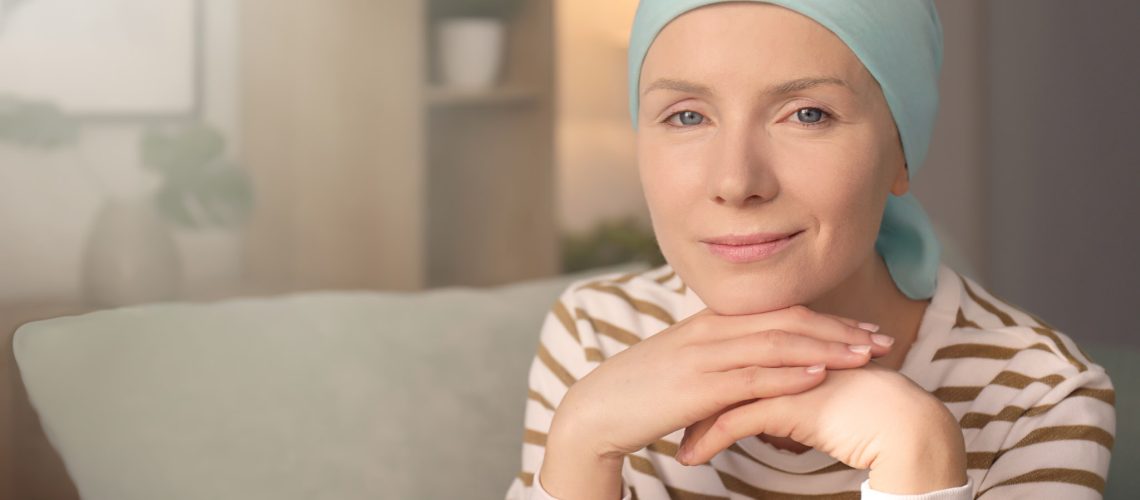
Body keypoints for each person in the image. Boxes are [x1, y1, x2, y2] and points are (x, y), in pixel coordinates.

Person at [505, 1, 1116, 498]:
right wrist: (580, 446)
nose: (736, 182)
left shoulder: (1037, 394)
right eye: (688, 117)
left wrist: (919, 456)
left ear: (901, 152)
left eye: (808, 114)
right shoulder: (596, 335)